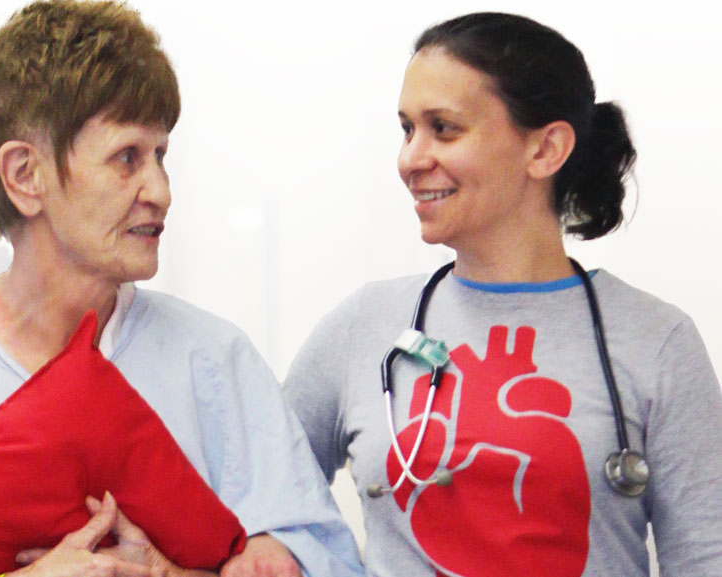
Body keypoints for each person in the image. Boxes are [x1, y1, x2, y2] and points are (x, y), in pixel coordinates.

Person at [0, 1, 363, 576]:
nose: (161, 191)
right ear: (24, 175)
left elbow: (328, 560)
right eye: (127, 158)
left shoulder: (216, 361)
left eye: (162, 155)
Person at [283, 12, 722, 577]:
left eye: (443, 128)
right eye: (407, 129)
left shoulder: (656, 341)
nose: (410, 159)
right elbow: (265, 508)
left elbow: (707, 559)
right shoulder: (362, 326)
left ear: (545, 150)